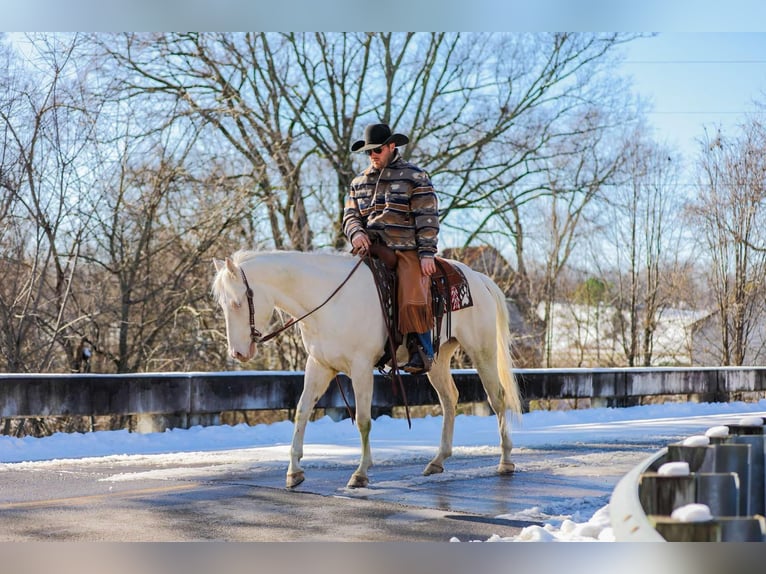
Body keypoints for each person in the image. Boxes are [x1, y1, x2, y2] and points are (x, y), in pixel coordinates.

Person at [342, 123, 439, 374]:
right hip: (370, 249)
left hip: (404, 248)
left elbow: (427, 217)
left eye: (377, 150)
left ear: (391, 146)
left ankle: (422, 349)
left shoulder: (414, 176)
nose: (372, 155)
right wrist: (356, 233)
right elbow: (350, 215)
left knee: (411, 287)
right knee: (342, 282)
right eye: (369, 152)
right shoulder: (358, 182)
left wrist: (427, 253)